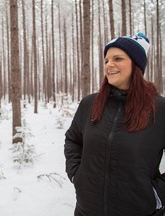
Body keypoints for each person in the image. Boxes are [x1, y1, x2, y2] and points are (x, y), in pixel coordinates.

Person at [64, 33, 165, 216]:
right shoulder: (90, 104)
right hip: (87, 211)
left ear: (136, 65)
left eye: (118, 58)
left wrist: (157, 194)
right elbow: (73, 139)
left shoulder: (159, 108)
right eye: (106, 60)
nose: (109, 65)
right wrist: (76, 174)